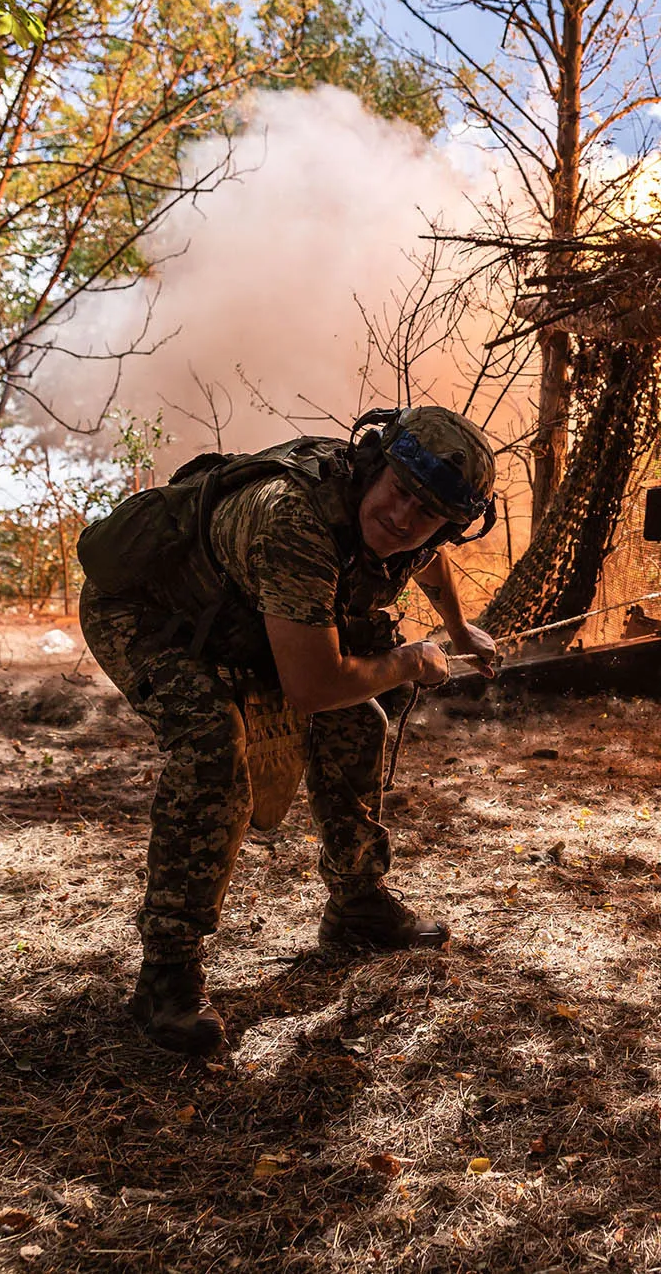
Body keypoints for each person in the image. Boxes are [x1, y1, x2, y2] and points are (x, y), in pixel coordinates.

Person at [78, 406, 501, 1056]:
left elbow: (426, 559)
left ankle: (358, 900)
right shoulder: (294, 519)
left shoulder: (405, 521)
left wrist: (458, 627)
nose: (404, 518)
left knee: (358, 719)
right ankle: (167, 971)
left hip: (243, 618)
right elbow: (310, 685)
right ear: (371, 465)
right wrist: (412, 659)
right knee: (212, 744)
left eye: (429, 512)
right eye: (399, 492)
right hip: (149, 615)